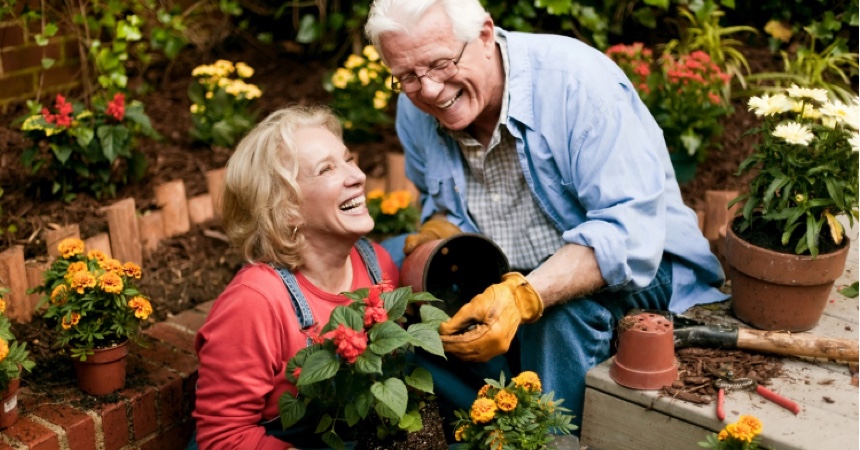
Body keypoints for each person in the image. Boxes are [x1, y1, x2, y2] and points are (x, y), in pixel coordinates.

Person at [364, 0, 728, 432]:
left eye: (440, 64)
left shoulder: (578, 84)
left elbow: (629, 234)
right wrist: (439, 228)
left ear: (484, 35)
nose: (428, 90)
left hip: (643, 267)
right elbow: (438, 201)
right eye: (406, 76)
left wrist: (525, 295)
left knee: (553, 320)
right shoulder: (417, 108)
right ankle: (489, 426)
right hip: (506, 268)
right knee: (391, 283)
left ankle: (547, 437)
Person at [190, 105, 399, 449]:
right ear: (286, 209)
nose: (357, 175)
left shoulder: (376, 262)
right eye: (327, 169)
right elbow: (224, 438)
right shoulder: (254, 303)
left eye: (348, 159)